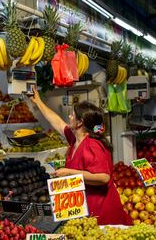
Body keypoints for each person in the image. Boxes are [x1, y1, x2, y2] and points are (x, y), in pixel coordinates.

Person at [30, 88, 132, 225]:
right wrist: (38, 102)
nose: (69, 117)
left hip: (100, 211)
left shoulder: (93, 145)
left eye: (72, 115)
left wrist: (69, 173)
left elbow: (103, 177)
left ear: (80, 122)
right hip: (84, 208)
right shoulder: (75, 139)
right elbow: (58, 123)